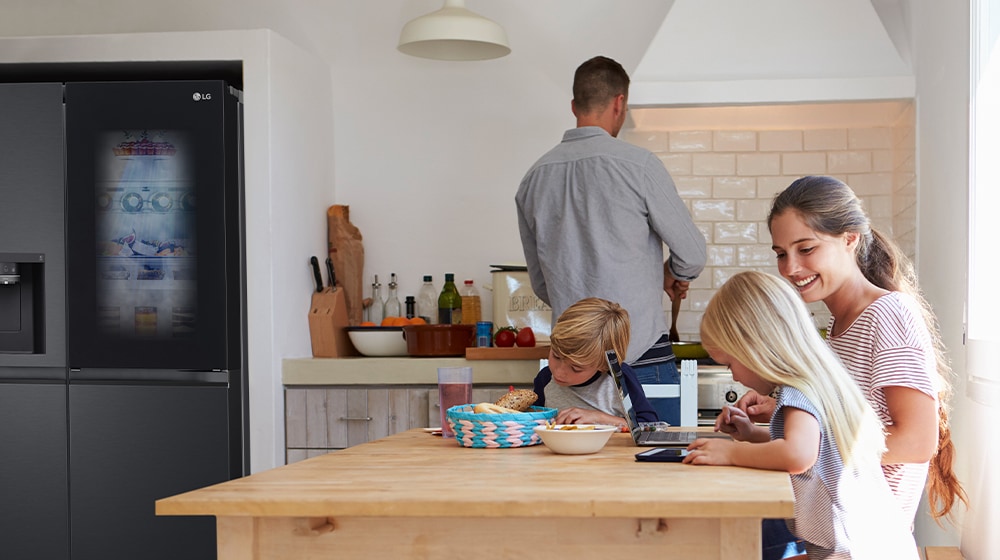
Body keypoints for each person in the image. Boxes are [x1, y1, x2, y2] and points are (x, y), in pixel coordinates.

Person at [735, 176, 967, 527]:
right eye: (782, 254)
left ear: (849, 239)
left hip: (863, 538)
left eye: (806, 249)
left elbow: (916, 441)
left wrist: (804, 442)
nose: (791, 268)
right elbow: (848, 429)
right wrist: (777, 423)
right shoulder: (841, 325)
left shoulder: (888, 314)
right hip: (833, 528)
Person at [516, 55, 707, 426]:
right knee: (652, 464)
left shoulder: (533, 178)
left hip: (569, 369)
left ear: (574, 106)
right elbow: (693, 256)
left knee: (562, 472)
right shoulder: (639, 165)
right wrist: (668, 273)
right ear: (620, 102)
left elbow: (542, 285)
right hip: (641, 358)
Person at [685, 271, 919, 560]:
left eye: (730, 362)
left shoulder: (798, 391)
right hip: (873, 546)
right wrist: (752, 434)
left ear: (757, 348)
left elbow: (798, 454)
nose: (732, 374)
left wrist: (730, 453)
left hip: (852, 553)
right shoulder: (819, 380)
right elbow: (819, 446)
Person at [532, 297, 657, 427]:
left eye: (576, 368)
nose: (559, 372)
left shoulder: (619, 378)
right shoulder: (545, 379)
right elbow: (532, 424)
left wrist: (600, 418)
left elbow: (650, 426)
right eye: (556, 356)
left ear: (603, 365)